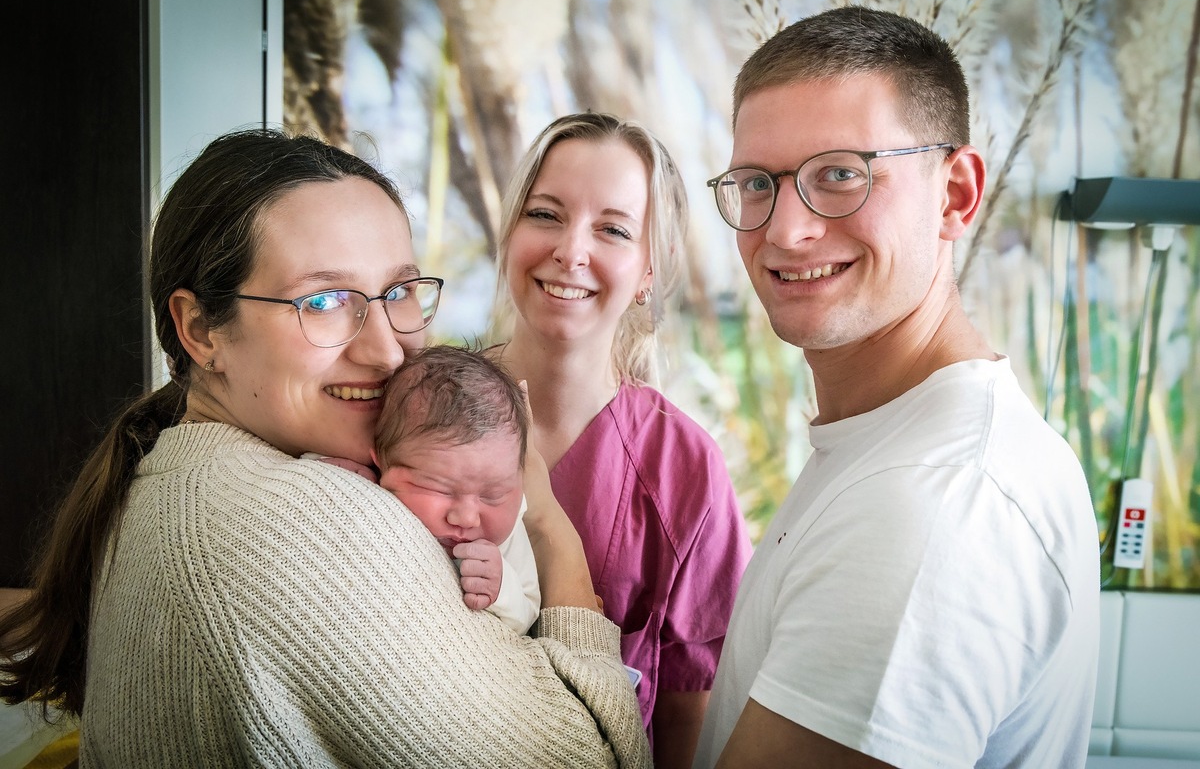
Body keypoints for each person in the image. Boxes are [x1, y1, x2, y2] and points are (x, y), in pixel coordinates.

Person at [0, 129, 649, 767]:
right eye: (323, 300)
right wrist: (547, 523)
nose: (387, 348)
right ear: (199, 330)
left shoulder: (176, 470)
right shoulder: (294, 527)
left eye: (397, 292)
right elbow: (601, 756)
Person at [693, 6, 1100, 768]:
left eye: (840, 175)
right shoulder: (898, 445)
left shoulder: (931, 501)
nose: (784, 231)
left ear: (954, 195)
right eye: (757, 183)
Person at [490, 111, 753, 769]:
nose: (570, 250)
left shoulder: (684, 469)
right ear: (511, 234)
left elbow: (688, 709)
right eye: (545, 214)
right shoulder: (419, 403)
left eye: (612, 229)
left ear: (646, 271)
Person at [371, 343, 540, 634]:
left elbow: (529, 612)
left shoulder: (509, 534)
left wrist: (502, 588)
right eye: (440, 489)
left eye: (493, 495)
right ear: (379, 461)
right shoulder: (364, 486)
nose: (466, 518)